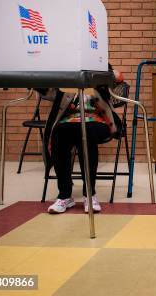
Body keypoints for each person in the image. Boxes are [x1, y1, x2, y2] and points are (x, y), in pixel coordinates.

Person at [43, 66, 124, 214]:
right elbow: (48, 92)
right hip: (68, 119)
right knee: (58, 134)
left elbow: (117, 78)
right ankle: (65, 195)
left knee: (86, 132)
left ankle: (90, 194)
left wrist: (99, 75)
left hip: (98, 119)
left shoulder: (98, 63)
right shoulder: (65, 67)